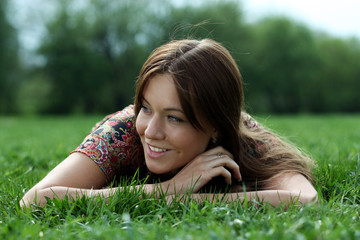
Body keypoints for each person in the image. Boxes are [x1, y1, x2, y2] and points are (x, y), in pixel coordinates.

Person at [20, 39, 317, 208]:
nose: (150, 131)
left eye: (175, 117)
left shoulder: (243, 135)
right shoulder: (121, 133)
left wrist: (199, 200)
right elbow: (34, 200)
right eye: (146, 108)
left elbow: (305, 199)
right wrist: (172, 189)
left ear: (215, 125)